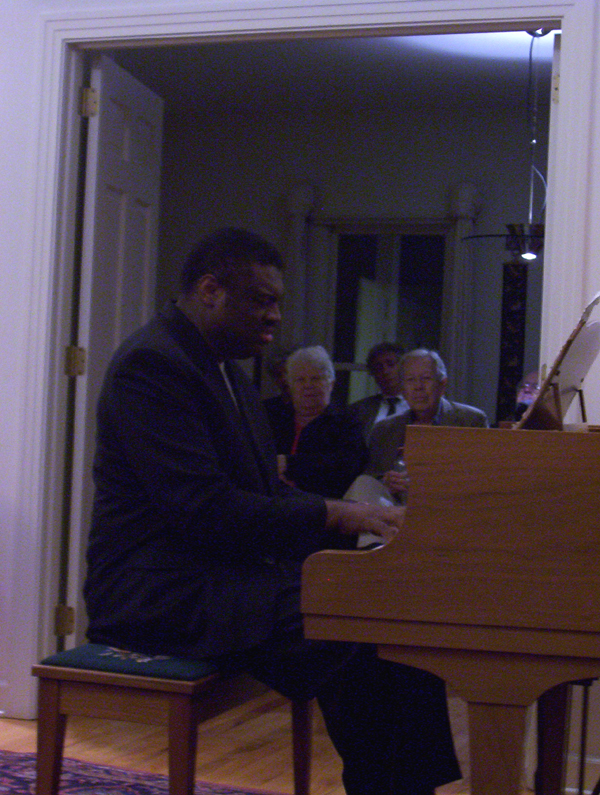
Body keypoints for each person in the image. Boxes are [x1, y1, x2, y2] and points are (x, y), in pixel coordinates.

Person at [84, 228, 460, 795]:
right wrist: (335, 516)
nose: (276, 317)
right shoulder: (153, 365)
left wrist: (359, 513)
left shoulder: (226, 371)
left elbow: (266, 490)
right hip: (154, 591)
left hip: (215, 577)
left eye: (277, 302)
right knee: (360, 634)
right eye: (263, 300)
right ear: (210, 291)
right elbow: (205, 511)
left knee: (384, 617)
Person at [366, 348, 489, 499]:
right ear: (402, 389)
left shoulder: (471, 421)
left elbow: (482, 478)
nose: (418, 386)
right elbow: (372, 478)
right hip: (394, 507)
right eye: (410, 380)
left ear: (442, 385)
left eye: (426, 378)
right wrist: (386, 483)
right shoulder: (384, 429)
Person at [274, 345, 367, 499]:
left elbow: (347, 466)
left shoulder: (347, 422)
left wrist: (289, 463)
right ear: (290, 386)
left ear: (331, 384)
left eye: (315, 378)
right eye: (300, 380)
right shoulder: (275, 417)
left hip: (324, 505)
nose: (308, 385)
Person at [348, 342, 408, 441]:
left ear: (404, 367)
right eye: (379, 368)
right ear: (373, 373)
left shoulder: (419, 407)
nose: (385, 371)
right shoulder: (358, 411)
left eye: (391, 364)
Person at [262, 346, 295, 443]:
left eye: (287, 372)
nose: (283, 378)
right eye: (278, 375)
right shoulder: (266, 408)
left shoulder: (311, 407)